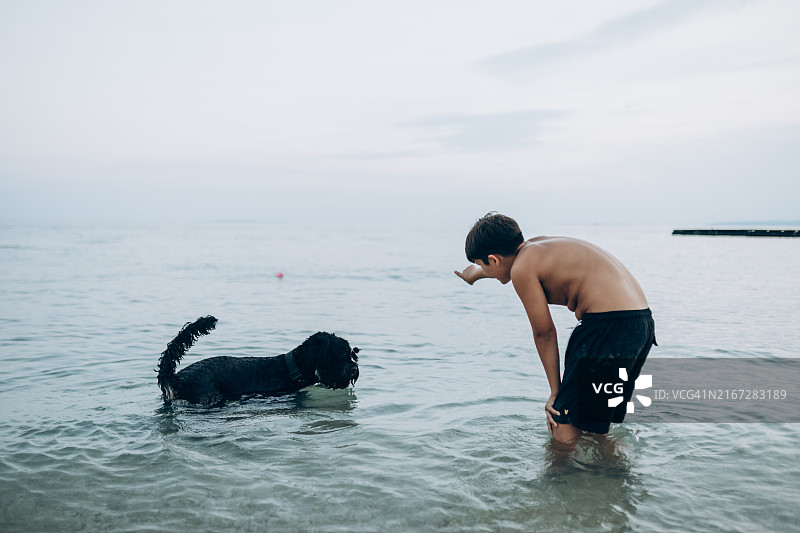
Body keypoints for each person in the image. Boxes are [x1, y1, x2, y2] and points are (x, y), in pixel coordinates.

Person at [454, 212, 656, 442]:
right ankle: (612, 474)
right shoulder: (535, 247)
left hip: (607, 328)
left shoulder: (522, 269)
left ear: (493, 259)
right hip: (640, 326)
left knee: (562, 422)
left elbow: (544, 333)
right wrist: (477, 275)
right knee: (595, 427)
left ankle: (562, 477)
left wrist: (555, 392)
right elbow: (504, 266)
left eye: (482, 265)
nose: (483, 269)